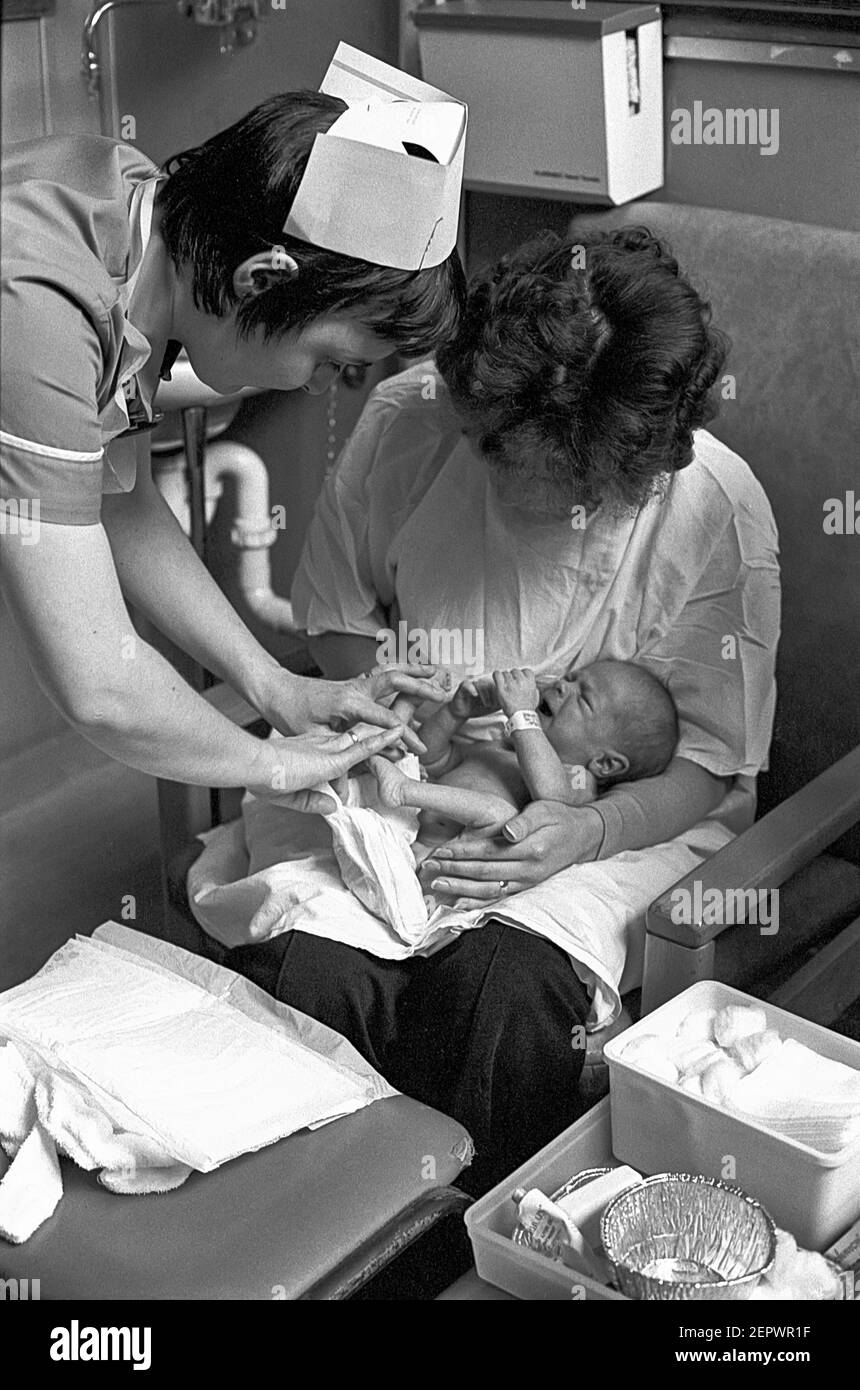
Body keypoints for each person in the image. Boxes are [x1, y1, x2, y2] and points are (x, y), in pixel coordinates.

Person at [231, 226, 781, 1194]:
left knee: (501, 990)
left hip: (620, 823)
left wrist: (584, 824)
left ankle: (468, 1235)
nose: (491, 464)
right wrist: (396, 712)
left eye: (532, 460)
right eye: (485, 434)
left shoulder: (711, 513)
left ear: (620, 468)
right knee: (312, 972)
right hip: (403, 764)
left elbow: (704, 759)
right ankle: (312, 1227)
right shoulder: (412, 417)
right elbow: (337, 616)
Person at [0, 49, 466, 799]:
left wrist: (277, 689)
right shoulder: (37, 307)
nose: (319, 387)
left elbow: (120, 498)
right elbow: (97, 686)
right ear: (262, 280)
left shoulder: (135, 220)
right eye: (332, 361)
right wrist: (275, 767)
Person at [368, 659, 679, 848]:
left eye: (583, 699)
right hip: (406, 832)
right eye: (571, 678)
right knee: (403, 757)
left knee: (497, 812)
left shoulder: (578, 778)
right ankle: (400, 789)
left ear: (605, 763)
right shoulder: (504, 747)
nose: (561, 686)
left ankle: (405, 790)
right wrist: (455, 713)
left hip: (454, 846)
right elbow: (432, 758)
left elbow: (550, 793)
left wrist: (522, 714)